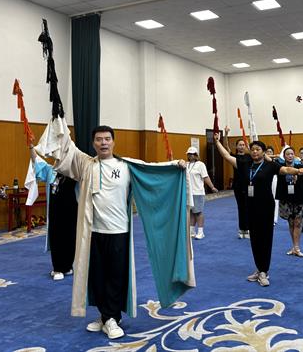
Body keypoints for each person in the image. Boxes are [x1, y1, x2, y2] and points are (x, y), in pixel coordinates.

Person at [36, 122, 190, 340]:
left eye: (107, 139)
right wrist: (58, 117)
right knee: (97, 277)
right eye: (99, 139)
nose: (103, 143)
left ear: (113, 142)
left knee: (115, 276)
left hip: (118, 231)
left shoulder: (126, 166)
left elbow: (152, 170)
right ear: (93, 143)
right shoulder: (86, 165)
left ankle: (111, 318)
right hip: (93, 232)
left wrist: (175, 165)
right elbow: (66, 147)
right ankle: (105, 316)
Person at [214, 134, 303, 287]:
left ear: (263, 152)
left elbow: (285, 169)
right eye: (253, 149)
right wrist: (217, 142)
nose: (255, 152)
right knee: (255, 240)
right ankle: (259, 268)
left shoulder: (270, 165)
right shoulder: (245, 164)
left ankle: (264, 271)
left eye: (258, 149)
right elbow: (226, 156)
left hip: (266, 207)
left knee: (265, 239)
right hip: (251, 207)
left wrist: (297, 171)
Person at [29, 144, 78, 281]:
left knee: (71, 239)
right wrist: (31, 147)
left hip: (72, 213)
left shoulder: (75, 173)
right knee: (57, 239)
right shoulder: (51, 171)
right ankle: (57, 268)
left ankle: (67, 266)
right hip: (56, 214)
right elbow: (36, 161)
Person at [276, 147, 303, 256]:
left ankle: (297, 247)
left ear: (294, 155)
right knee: (291, 223)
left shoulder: (299, 166)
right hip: (286, 199)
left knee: (297, 222)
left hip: (298, 199)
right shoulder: (280, 167)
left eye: (292, 154)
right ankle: (294, 246)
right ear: (284, 156)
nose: (290, 156)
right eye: (288, 154)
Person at [223, 126, 250, 239]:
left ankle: (247, 229)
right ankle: (241, 229)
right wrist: (226, 134)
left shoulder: (249, 156)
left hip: (249, 186)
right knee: (241, 207)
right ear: (237, 146)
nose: (242, 146)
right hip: (238, 185)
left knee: (248, 207)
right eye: (240, 145)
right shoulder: (233, 156)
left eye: (243, 145)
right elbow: (226, 147)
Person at [186, 146, 218, 240]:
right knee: (191, 212)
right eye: (189, 154)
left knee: (198, 212)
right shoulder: (186, 165)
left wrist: (212, 187)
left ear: (196, 155)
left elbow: (205, 177)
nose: (191, 155)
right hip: (189, 193)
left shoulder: (200, 164)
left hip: (198, 192)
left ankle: (201, 232)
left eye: (193, 154)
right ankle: (192, 231)